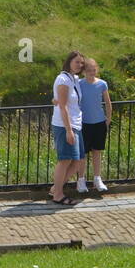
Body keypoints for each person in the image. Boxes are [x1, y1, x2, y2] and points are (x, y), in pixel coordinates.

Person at [49, 51, 86, 206]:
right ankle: (58, 194)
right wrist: (69, 130)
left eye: (81, 63)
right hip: (65, 125)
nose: (80, 65)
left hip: (75, 123)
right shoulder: (63, 79)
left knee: (77, 161)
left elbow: (59, 100)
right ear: (69, 61)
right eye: (77, 62)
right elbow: (63, 106)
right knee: (65, 160)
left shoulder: (74, 78)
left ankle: (55, 188)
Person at [78, 57, 112, 192]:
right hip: (83, 123)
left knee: (97, 151)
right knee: (83, 153)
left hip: (99, 122)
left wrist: (108, 119)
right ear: (84, 71)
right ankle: (81, 180)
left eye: (94, 70)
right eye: (89, 70)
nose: (92, 73)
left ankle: (97, 178)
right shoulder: (79, 84)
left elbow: (108, 102)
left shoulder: (102, 84)